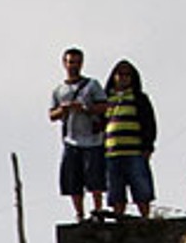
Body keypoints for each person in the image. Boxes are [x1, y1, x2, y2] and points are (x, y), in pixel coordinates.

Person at [49, 47, 106, 222]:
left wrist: (84, 108)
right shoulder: (59, 89)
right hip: (71, 140)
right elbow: (52, 115)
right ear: (64, 64)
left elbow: (104, 106)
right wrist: (64, 110)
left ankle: (98, 211)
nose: (73, 65)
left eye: (76, 62)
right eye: (70, 62)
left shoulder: (92, 85)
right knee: (73, 181)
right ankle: (79, 214)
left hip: (93, 140)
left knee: (95, 180)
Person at [98, 59, 156, 219]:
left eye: (127, 75)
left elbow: (149, 123)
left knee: (141, 187)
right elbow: (99, 124)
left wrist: (148, 147)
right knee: (115, 190)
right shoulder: (106, 100)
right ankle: (119, 218)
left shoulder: (139, 98)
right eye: (120, 74)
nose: (123, 78)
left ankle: (145, 217)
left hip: (135, 151)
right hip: (111, 154)